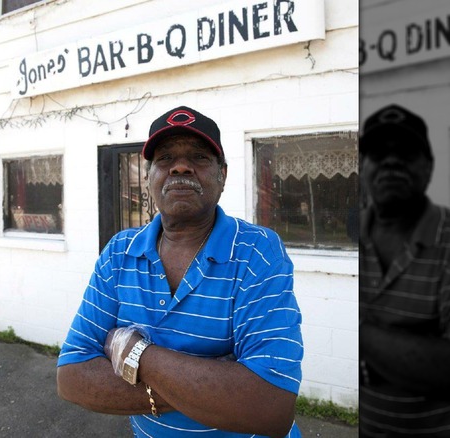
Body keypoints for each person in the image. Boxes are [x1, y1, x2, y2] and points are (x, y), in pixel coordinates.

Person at [56, 106, 303, 438]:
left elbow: (270, 408)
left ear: (223, 175)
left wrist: (134, 354)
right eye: (165, 158)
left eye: (199, 157)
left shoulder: (257, 251)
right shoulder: (119, 252)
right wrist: (218, 383)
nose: (181, 166)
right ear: (149, 178)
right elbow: (71, 377)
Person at [358, 104, 450, 437]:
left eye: (406, 152)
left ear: (429, 167)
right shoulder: (353, 237)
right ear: (363, 166)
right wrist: (416, 347)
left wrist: (361, 333)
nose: (391, 161)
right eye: (379, 152)